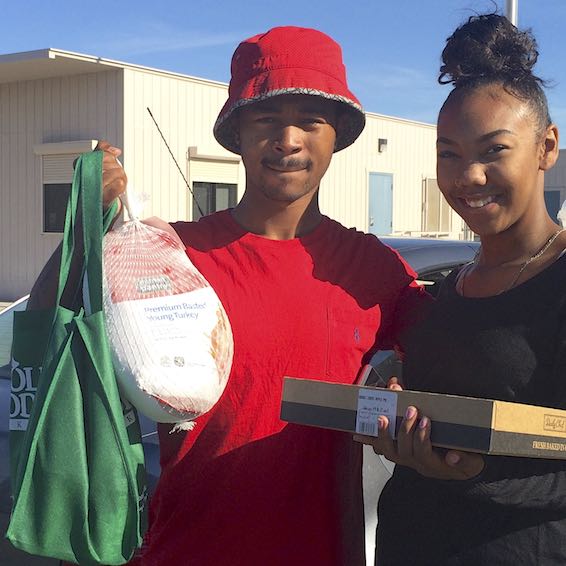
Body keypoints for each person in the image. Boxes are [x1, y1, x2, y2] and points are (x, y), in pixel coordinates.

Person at [30, 27, 431, 565]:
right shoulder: (169, 254)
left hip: (325, 552)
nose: (288, 138)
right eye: (266, 118)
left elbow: (453, 357)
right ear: (236, 132)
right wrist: (86, 228)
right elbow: (42, 318)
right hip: (185, 548)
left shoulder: (374, 270)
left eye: (311, 120)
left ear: (338, 135)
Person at [357, 13, 566, 565]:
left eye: (494, 150)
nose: (466, 176)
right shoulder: (450, 290)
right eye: (448, 153)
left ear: (546, 147)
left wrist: (481, 471)